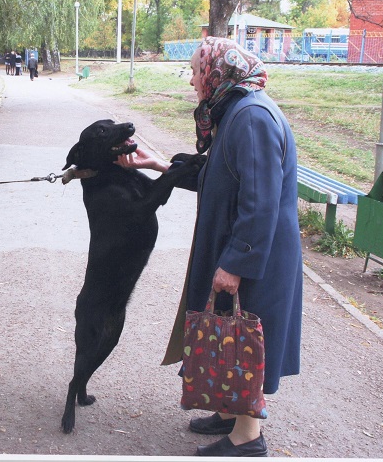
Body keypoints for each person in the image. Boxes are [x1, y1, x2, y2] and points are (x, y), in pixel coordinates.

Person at [115, 36, 303, 457]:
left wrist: (236, 263)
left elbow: (260, 202)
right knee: (228, 331)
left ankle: (248, 438)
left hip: (257, 252)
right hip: (243, 244)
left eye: (197, 70)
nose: (192, 81)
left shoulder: (251, 117)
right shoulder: (235, 109)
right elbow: (216, 177)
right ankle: (229, 407)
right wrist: (158, 164)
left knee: (245, 336)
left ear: (218, 72)